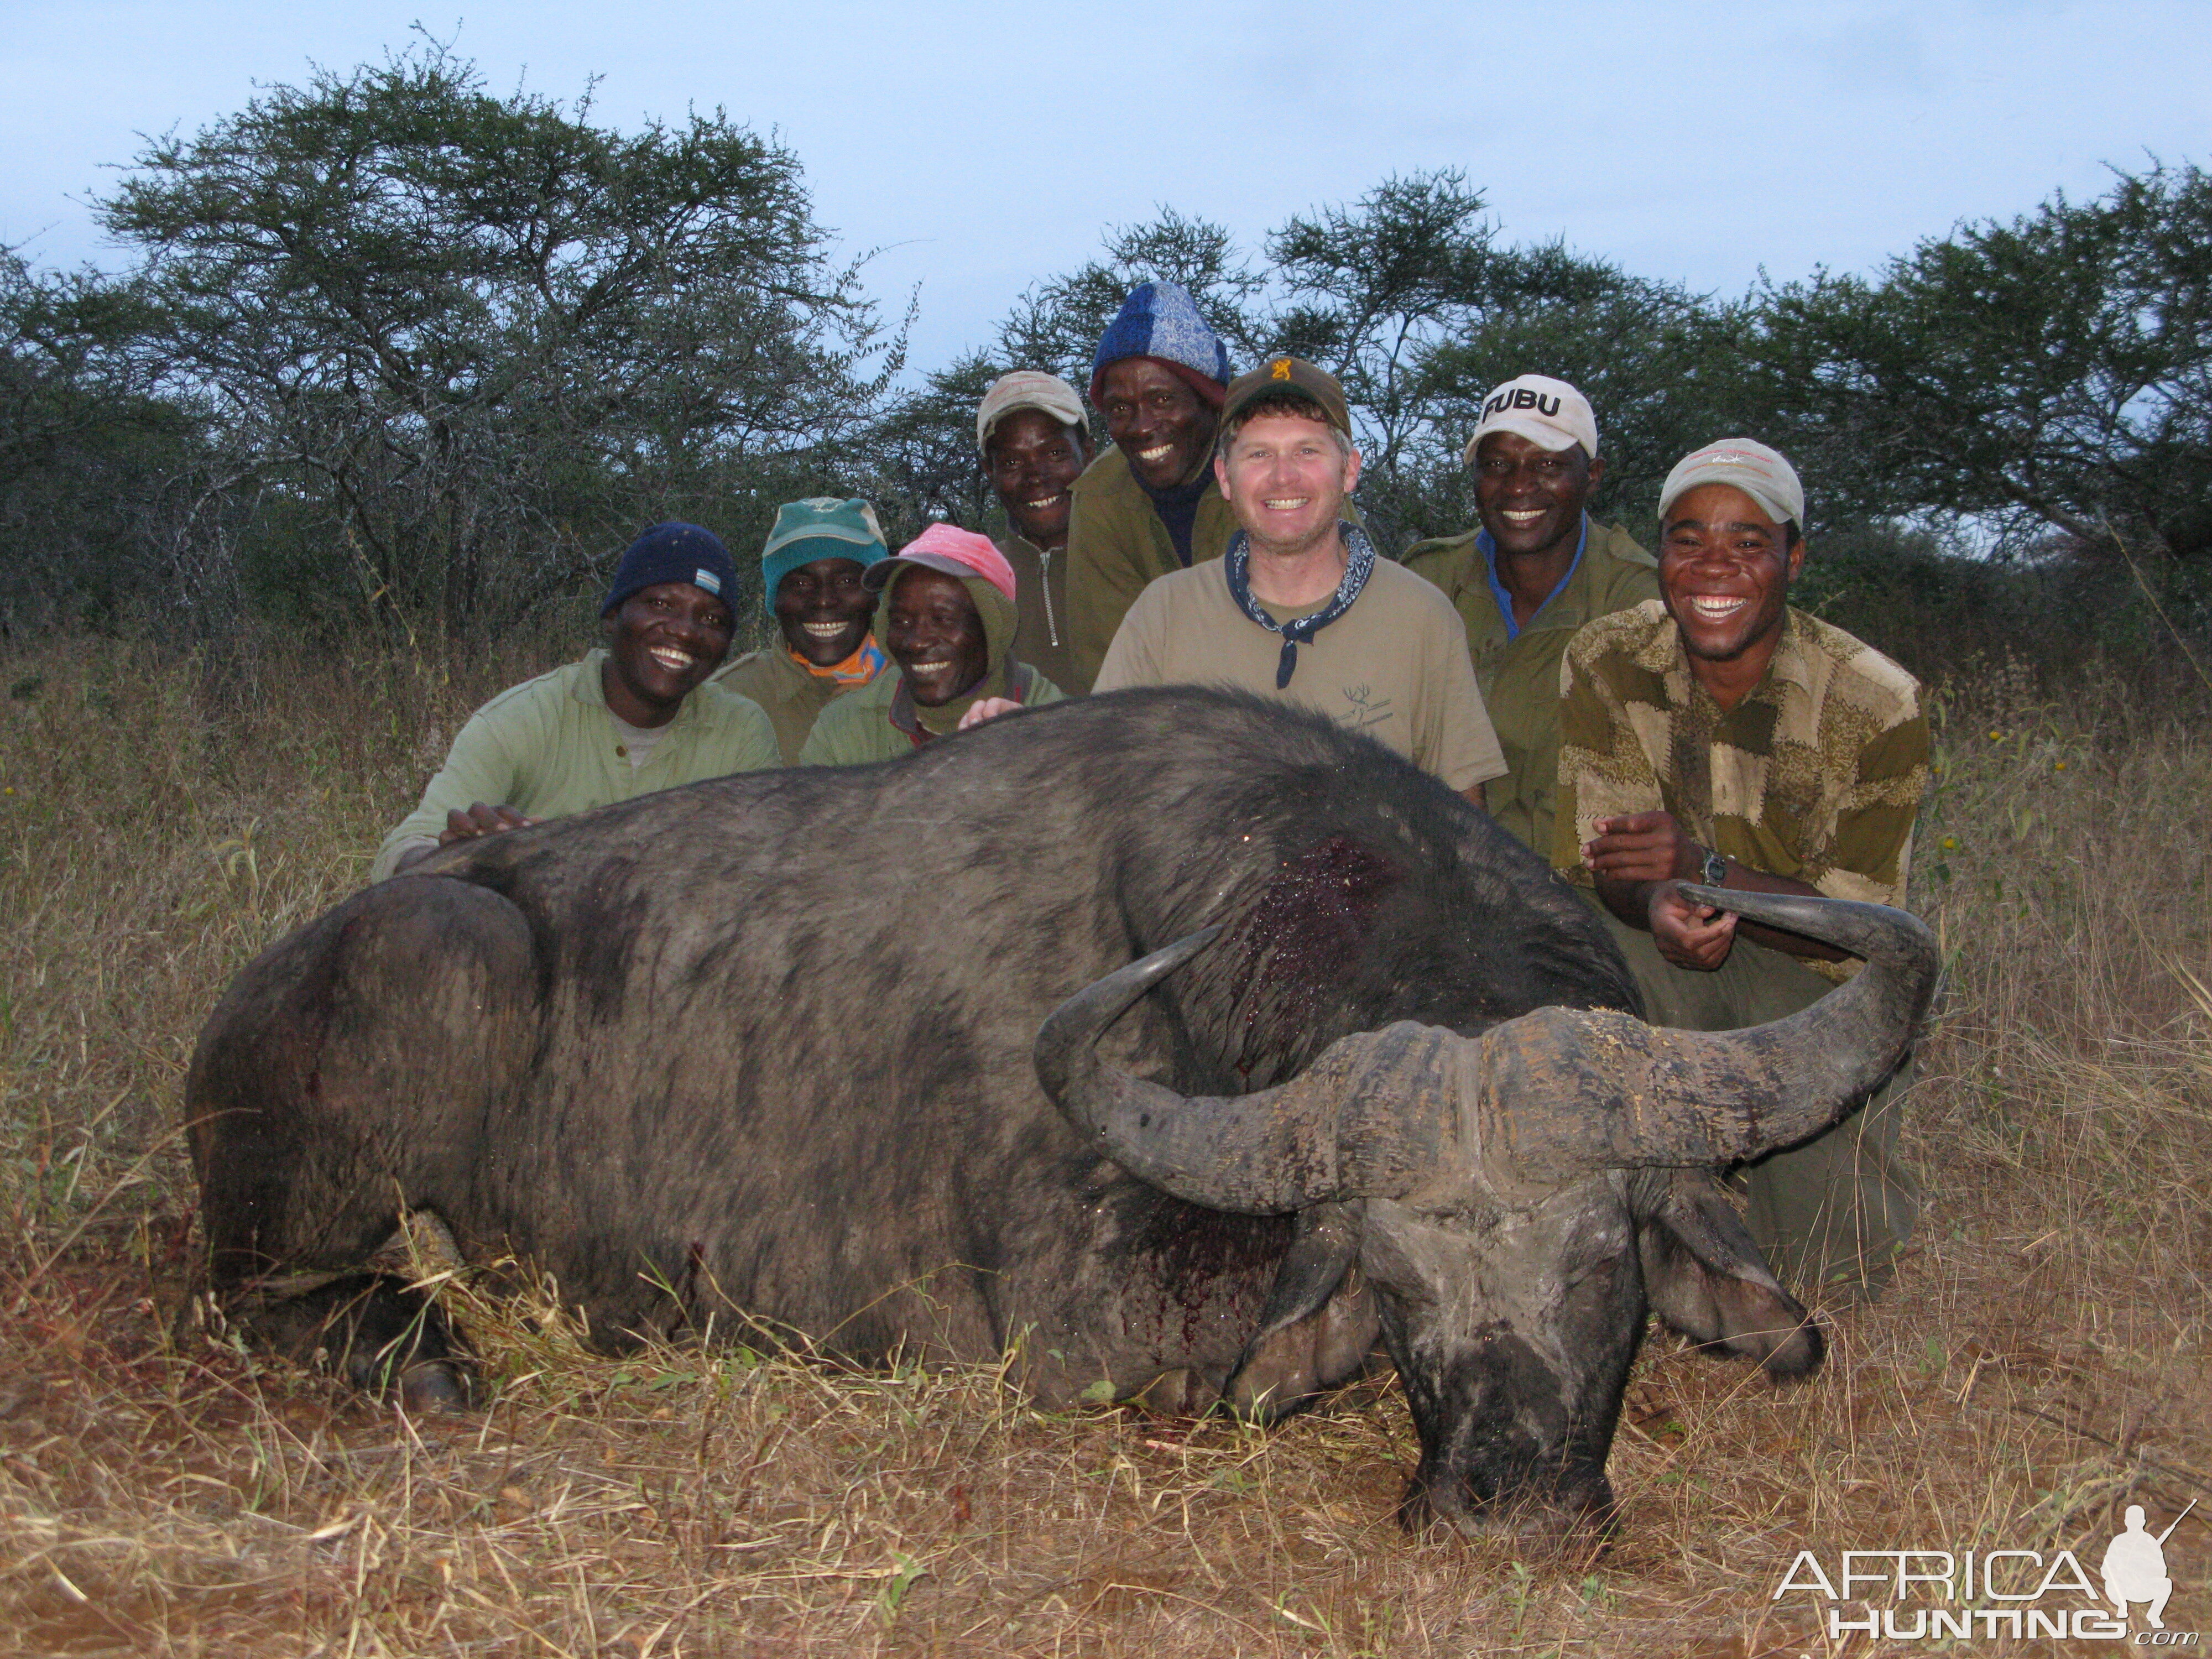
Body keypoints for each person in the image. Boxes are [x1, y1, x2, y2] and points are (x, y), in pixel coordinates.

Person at [1553, 439, 1929, 1297]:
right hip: (1659, 945)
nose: (1714, 566)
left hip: (1816, 971)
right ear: (1661, 555)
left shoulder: (1876, 699)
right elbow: (1605, 862)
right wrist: (1654, 902)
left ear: (1794, 558)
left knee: (1839, 1274)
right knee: (1566, 1032)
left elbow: (1862, 931)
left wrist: (1701, 871)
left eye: (1749, 542)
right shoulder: (1606, 658)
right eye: (1689, 540)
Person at [1094, 356, 1505, 807]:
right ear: (1224, 477)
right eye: (1258, 454)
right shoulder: (1163, 613)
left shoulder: (1422, 615)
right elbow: (1104, 782)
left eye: (1308, 451)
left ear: (1349, 469)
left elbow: (1464, 813)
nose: (1283, 476)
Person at [373, 522, 779, 880]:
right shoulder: (522, 718)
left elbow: (766, 866)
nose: (686, 633)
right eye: (660, 604)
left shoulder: (741, 731)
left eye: (712, 620)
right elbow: (409, 847)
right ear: (613, 615)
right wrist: (465, 858)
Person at [1402, 374, 1658, 858]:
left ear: (1593, 474)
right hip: (1440, 872)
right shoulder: (1428, 579)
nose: (1519, 486)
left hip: (1584, 888)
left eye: (1549, 465)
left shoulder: (1637, 601)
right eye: (1497, 464)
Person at [1063, 281, 1238, 687]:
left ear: (1209, 401)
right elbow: (1106, 667)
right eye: (1121, 408)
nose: (1142, 428)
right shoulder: (1099, 497)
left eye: (1162, 400)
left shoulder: (1272, 473)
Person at [799, 523, 1066, 765]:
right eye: (901, 621)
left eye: (943, 619)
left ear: (993, 627)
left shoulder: (1051, 720)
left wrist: (1036, 751)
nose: (916, 642)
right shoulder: (844, 729)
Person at [712, 498, 893, 762]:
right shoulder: (727, 702)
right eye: (800, 583)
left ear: (875, 596)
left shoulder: (917, 689)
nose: (823, 600)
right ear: (776, 600)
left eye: (846, 581)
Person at [977, 371, 1092, 694]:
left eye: (1055, 453)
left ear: (1088, 452)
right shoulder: (977, 582)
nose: (1036, 476)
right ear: (991, 471)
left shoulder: (1132, 555)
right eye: (1013, 462)